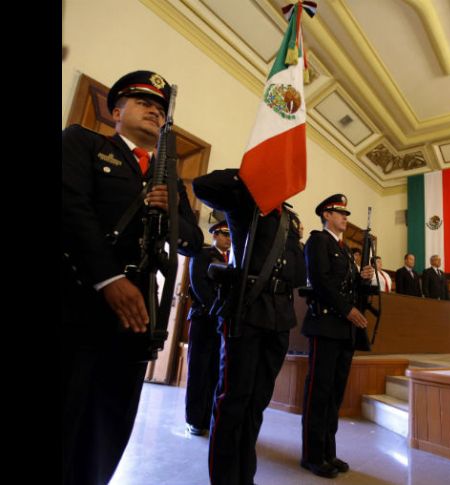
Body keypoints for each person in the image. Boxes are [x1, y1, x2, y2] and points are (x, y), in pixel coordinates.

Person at [62, 70, 203, 485]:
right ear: (117, 111)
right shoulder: (84, 143)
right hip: (79, 303)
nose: (155, 113)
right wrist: (107, 279)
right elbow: (70, 208)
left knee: (111, 419)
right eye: (145, 104)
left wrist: (173, 208)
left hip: (138, 316)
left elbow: (192, 242)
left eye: (160, 110)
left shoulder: (166, 176)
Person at [192, 169, 306, 485]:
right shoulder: (246, 199)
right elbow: (203, 186)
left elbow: (297, 274)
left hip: (280, 316)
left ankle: (245, 476)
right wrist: (253, 171)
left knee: (257, 403)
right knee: (233, 401)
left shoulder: (290, 220)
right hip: (247, 310)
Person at [301, 194, 374, 479]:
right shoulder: (318, 241)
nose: (345, 217)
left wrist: (364, 277)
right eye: (340, 213)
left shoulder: (344, 250)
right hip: (326, 324)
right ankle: (312, 454)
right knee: (318, 392)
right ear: (326, 215)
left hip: (344, 329)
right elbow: (320, 281)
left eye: (346, 213)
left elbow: (351, 287)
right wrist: (348, 310)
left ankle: (328, 452)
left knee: (334, 394)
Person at [184, 221, 231, 437]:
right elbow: (198, 284)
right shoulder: (202, 254)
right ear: (214, 234)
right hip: (204, 317)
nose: (228, 238)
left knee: (215, 370)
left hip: (221, 321)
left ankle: (208, 418)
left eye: (230, 235)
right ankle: (194, 419)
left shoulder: (232, 258)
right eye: (223, 234)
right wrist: (217, 308)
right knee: (199, 369)